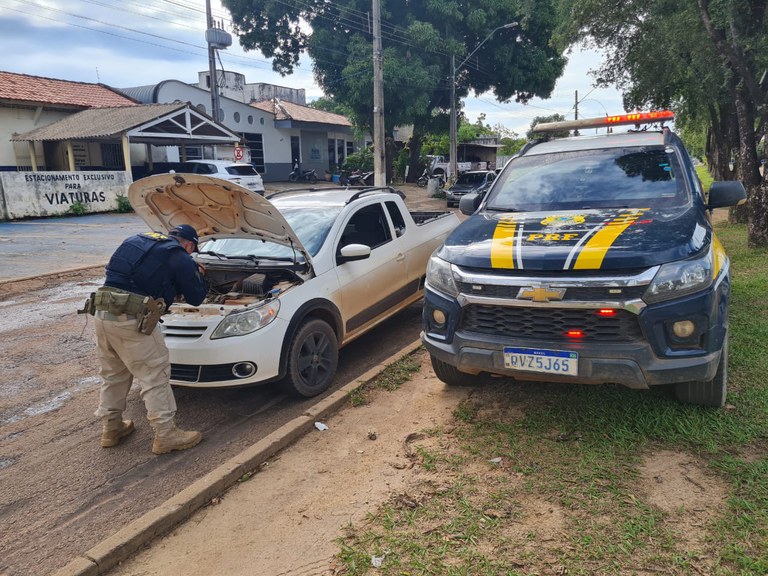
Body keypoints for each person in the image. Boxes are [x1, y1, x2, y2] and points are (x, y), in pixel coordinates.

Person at [89, 224, 207, 455]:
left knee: (114, 374)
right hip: (131, 319)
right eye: (192, 251)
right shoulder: (178, 255)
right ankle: (166, 435)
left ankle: (111, 429)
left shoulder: (138, 240)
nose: (190, 254)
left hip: (102, 313)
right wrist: (198, 274)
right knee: (154, 375)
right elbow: (196, 298)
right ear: (189, 244)